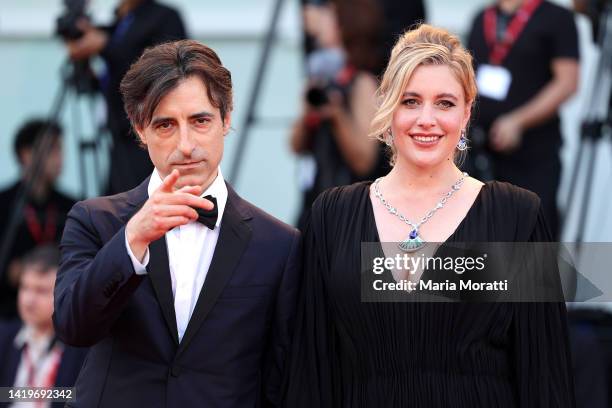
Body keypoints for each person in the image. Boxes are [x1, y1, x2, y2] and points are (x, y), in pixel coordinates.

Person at [283, 24, 575, 407]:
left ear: (467, 112)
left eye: (445, 103)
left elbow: (544, 371)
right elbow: (310, 366)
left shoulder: (515, 215)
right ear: (386, 105)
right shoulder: (333, 215)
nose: (426, 119)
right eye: (410, 101)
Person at [54, 40, 301, 407]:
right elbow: (74, 327)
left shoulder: (279, 244)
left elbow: (282, 375)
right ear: (140, 130)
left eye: (200, 121)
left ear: (226, 119)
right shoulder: (95, 221)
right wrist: (131, 241)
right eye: (166, 125)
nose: (186, 145)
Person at [466, 0, 579, 239]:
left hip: (533, 154)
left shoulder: (556, 18)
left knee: (532, 236)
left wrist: (518, 121)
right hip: (482, 150)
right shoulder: (482, 18)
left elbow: (567, 82)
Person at [66, 0, 187, 194]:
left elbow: (162, 70)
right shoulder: (122, 21)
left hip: (150, 138)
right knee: (115, 208)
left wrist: (104, 46)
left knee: (139, 202)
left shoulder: (164, 17)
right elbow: (117, 80)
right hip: (117, 134)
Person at [291, 0, 388, 230]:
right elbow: (295, 145)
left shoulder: (363, 83)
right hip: (316, 202)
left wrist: (337, 116)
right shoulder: (322, 77)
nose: (318, 22)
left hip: (352, 212)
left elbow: (364, 161)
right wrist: (307, 113)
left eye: (328, 16)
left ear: (346, 24)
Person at [0, 119, 75, 320]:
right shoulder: (4, 203)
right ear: (26, 155)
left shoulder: (71, 206)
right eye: (52, 149)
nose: (60, 159)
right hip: (10, 315)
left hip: (61, 312)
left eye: (61, 150)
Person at [0, 246, 87, 408]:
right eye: (25, 287)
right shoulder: (4, 337)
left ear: (64, 292)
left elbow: (80, 397)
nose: (29, 300)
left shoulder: (82, 347)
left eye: (41, 291)